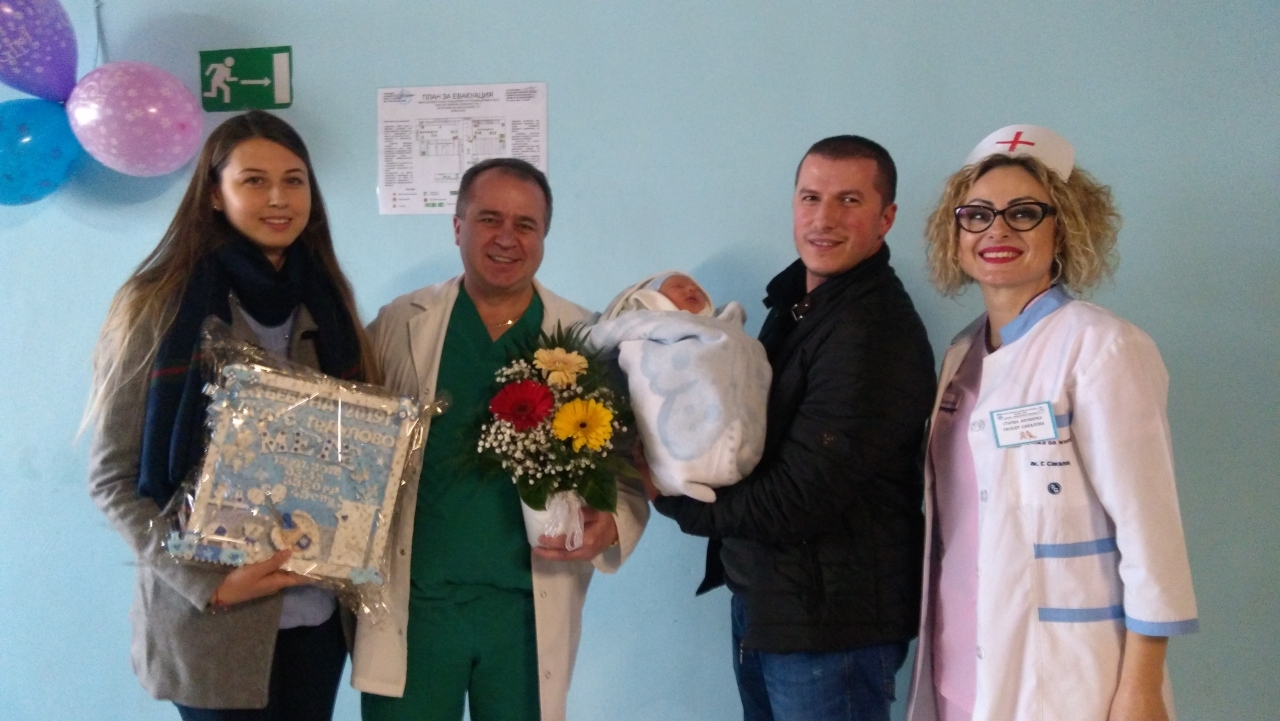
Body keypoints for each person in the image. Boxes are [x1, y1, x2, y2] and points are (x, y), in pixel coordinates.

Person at [84, 110, 377, 720]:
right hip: (210, 623)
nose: (279, 198)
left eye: (294, 181)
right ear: (214, 194)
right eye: (254, 181)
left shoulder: (329, 301)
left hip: (317, 618)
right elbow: (112, 479)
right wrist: (209, 584)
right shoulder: (158, 305)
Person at [904, 125, 1198, 721]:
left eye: (1024, 213)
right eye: (977, 215)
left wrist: (1141, 689)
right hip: (959, 667)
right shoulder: (961, 355)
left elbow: (1150, 533)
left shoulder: (1102, 347)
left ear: (1063, 229)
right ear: (955, 234)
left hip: (1067, 677)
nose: (997, 231)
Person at [650, 136, 937, 721]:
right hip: (775, 604)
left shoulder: (872, 332)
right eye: (811, 198)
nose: (824, 218)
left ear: (886, 218)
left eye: (849, 200)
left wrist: (671, 498)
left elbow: (798, 499)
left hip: (832, 629)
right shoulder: (798, 307)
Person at [352, 158, 650, 721]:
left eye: (526, 224)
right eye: (489, 219)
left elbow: (631, 464)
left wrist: (614, 522)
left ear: (544, 237)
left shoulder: (584, 336)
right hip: (418, 609)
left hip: (525, 614)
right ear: (457, 226)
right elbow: (350, 433)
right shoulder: (401, 322)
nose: (507, 238)